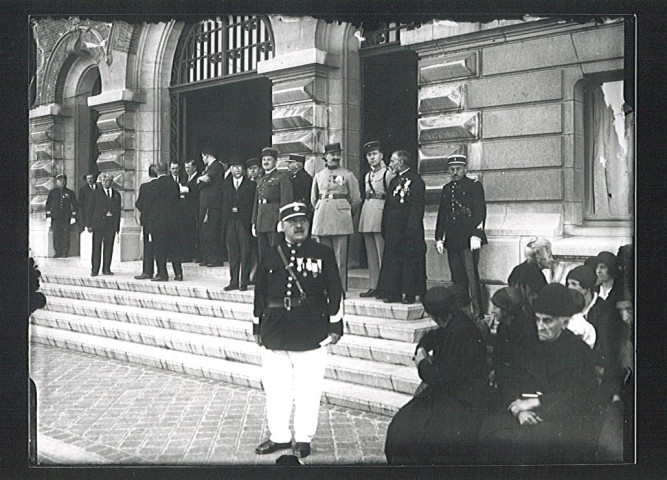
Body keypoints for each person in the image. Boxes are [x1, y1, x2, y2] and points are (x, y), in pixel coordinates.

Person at [253, 202, 344, 459]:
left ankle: (304, 437)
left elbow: (335, 291)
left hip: (310, 329)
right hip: (275, 328)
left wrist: (335, 325)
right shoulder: (270, 254)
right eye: (292, 222)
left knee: (308, 388)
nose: (299, 225)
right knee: (276, 387)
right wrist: (257, 325)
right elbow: (260, 293)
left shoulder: (322, 253)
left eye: (303, 220)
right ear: (282, 227)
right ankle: (279, 436)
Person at [477, 283, 603, 464]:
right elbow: (511, 378)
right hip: (523, 413)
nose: (540, 327)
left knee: (532, 444)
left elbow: (580, 397)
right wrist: (518, 410)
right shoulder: (528, 345)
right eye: (538, 320)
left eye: (548, 321)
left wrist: (537, 402)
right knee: (488, 430)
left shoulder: (579, 352)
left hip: (560, 419)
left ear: (565, 322)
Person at [384, 286, 490, 465]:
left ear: (435, 315)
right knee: (407, 421)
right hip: (452, 391)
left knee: (412, 429)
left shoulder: (461, 332)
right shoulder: (455, 322)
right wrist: (422, 348)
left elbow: (442, 377)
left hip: (464, 398)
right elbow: (433, 336)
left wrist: (422, 363)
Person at [435, 154, 487, 317]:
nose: (455, 172)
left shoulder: (474, 186)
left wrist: (476, 235)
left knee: (471, 277)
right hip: (452, 239)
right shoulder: (446, 189)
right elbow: (442, 215)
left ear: (465, 169)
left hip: (469, 240)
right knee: (457, 278)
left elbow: (480, 211)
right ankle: (461, 311)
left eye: (458, 169)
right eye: (452, 170)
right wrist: (439, 238)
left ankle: (478, 313)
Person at [566, 265, 625, 403]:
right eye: (568, 284)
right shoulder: (569, 306)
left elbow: (609, 349)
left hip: (598, 369)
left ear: (587, 288)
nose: (570, 288)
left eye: (574, 284)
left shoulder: (604, 311)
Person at [378, 150, 427, 304]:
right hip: (393, 230)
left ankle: (409, 294)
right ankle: (394, 292)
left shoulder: (416, 181)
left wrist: (410, 229)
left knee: (409, 263)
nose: (390, 164)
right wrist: (384, 226)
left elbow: (416, 208)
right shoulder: (393, 181)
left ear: (401, 163)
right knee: (393, 262)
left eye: (393, 161)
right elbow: (388, 206)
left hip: (408, 230)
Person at [310, 142, 362, 290]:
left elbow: (356, 199)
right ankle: (325, 285)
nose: (336, 157)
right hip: (323, 219)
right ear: (325, 157)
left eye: (338, 154)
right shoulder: (319, 176)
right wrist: (323, 209)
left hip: (341, 219)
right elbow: (314, 199)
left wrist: (345, 212)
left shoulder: (347, 175)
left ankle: (339, 288)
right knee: (324, 256)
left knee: (340, 258)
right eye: (332, 154)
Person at [358, 141, 395, 298]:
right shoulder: (368, 175)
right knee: (371, 255)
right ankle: (374, 285)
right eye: (369, 155)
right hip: (367, 213)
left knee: (382, 254)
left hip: (380, 214)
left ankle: (386, 286)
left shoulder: (388, 173)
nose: (372, 158)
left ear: (381, 155)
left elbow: (391, 197)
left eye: (374, 154)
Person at [489, 286, 535, 398]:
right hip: (505, 383)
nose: (492, 311)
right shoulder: (502, 327)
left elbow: (521, 364)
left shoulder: (526, 331)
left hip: (521, 387)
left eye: (496, 307)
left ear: (506, 310)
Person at [252, 147, 293, 265]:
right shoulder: (261, 180)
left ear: (275, 161)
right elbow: (256, 202)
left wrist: (282, 220)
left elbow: (286, 200)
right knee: (262, 254)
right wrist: (254, 222)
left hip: (273, 221)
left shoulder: (282, 177)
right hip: (261, 220)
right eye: (264, 159)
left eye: (269, 159)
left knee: (275, 253)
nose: (265, 162)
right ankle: (264, 282)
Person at [144, 162, 183, 281]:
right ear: (167, 170)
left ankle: (162, 273)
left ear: (157, 171)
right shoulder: (174, 184)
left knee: (160, 249)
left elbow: (146, 205)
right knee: (174, 248)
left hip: (158, 223)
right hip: (173, 221)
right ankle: (178, 273)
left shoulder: (153, 185)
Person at [222, 155, 256, 291]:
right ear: (230, 169)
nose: (237, 170)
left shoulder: (251, 185)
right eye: (234, 167)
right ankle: (233, 281)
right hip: (230, 221)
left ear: (243, 169)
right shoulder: (225, 185)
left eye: (239, 167)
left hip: (244, 221)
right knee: (233, 253)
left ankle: (244, 281)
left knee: (245, 251)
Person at [87, 172, 121, 276]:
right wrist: (89, 224)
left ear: (112, 182)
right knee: (96, 247)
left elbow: (118, 211)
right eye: (105, 181)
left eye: (109, 181)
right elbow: (89, 209)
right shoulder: (96, 193)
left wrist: (117, 226)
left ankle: (106, 268)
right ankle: (95, 269)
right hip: (98, 224)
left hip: (111, 225)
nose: (107, 183)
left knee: (109, 247)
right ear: (101, 182)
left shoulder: (116, 194)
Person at [197, 146, 226, 267]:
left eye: (203, 157)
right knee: (204, 231)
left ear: (206, 155)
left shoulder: (216, 166)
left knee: (212, 230)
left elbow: (205, 180)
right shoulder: (209, 167)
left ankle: (215, 259)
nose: (202, 159)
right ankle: (208, 257)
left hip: (212, 204)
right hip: (206, 203)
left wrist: (200, 179)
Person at [507, 237, 553, 306]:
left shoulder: (519, 269)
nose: (552, 259)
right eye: (549, 255)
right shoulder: (534, 274)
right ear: (539, 256)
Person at [45, 173, 78, 258]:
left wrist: (73, 216)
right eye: (60, 181)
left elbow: (75, 205)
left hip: (66, 217)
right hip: (55, 217)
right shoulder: (53, 192)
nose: (62, 182)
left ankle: (64, 252)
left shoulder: (70, 192)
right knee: (56, 234)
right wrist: (48, 216)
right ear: (57, 182)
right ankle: (57, 251)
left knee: (66, 234)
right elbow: (48, 204)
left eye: (64, 181)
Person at [134, 164, 158, 279]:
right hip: (161, 222)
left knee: (148, 247)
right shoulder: (163, 186)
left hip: (148, 222)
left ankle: (148, 271)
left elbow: (139, 204)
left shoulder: (145, 187)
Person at [180, 159, 201, 263]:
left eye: (189, 167)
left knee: (194, 233)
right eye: (185, 168)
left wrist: (186, 191)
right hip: (185, 211)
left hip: (194, 210)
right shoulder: (185, 178)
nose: (187, 170)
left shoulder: (198, 178)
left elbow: (195, 192)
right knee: (186, 233)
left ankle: (195, 255)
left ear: (194, 168)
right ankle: (187, 255)